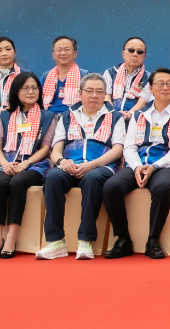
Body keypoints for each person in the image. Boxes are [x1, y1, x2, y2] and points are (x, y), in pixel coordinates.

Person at [36, 74, 125, 261]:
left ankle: (85, 240)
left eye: (99, 92)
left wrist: (92, 165)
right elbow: (55, 150)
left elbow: (117, 150)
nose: (94, 95)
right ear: (80, 93)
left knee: (92, 179)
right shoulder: (67, 116)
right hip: (71, 165)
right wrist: (62, 162)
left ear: (105, 94)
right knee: (53, 177)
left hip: (101, 166)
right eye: (89, 91)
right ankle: (55, 241)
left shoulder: (115, 117)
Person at [103, 68, 170, 260]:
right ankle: (123, 239)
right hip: (138, 164)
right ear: (150, 88)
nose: (165, 87)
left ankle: (153, 240)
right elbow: (129, 146)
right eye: (160, 83)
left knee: (162, 187)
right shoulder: (139, 114)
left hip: (166, 166)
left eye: (169, 84)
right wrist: (138, 167)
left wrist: (154, 167)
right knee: (111, 186)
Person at [0, 72, 56, 258]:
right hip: (5, 163)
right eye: (25, 88)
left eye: (34, 88)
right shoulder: (4, 116)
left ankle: (11, 236)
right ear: (16, 91)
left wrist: (25, 163)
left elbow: (45, 148)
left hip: (34, 164)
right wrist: (5, 164)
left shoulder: (48, 117)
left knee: (18, 182)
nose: (31, 91)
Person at [40, 36, 88, 116]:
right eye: (59, 50)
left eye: (67, 49)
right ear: (53, 55)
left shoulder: (85, 76)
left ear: (75, 54)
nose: (63, 53)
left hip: (77, 117)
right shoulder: (45, 77)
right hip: (49, 118)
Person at [104, 37, 150, 118]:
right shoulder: (110, 73)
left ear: (144, 57)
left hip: (135, 118)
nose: (135, 54)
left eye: (139, 52)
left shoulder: (149, 77)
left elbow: (143, 102)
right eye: (131, 50)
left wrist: (130, 114)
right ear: (123, 54)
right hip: (111, 117)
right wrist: (115, 115)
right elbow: (106, 97)